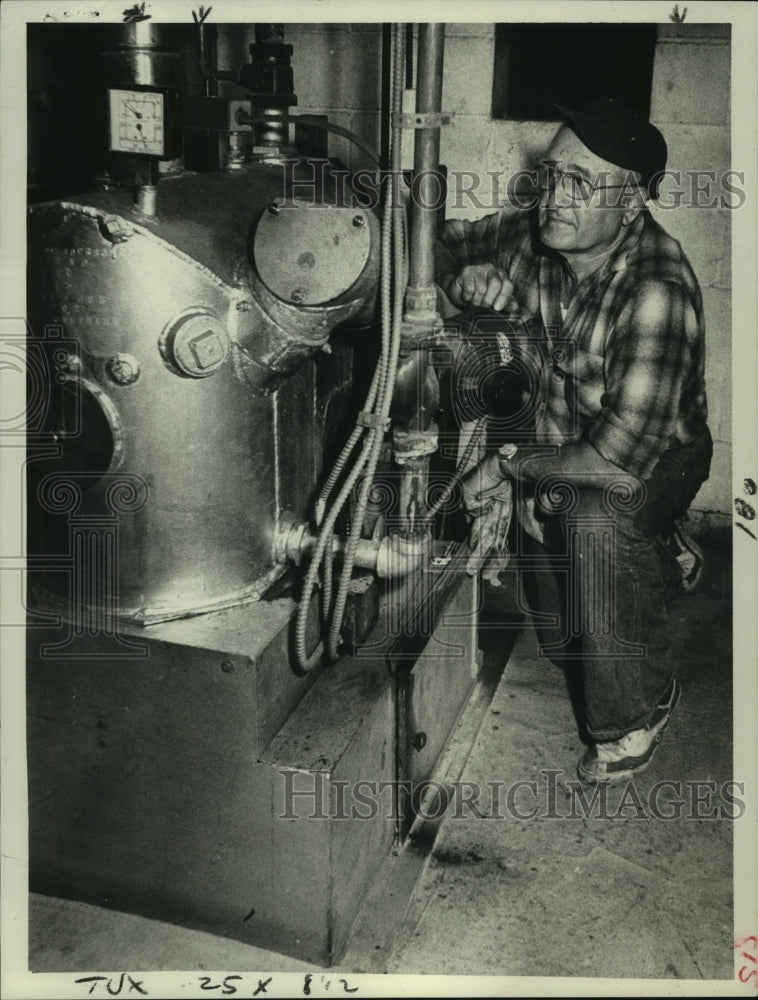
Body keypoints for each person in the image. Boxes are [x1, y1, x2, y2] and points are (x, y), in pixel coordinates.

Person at [436, 99, 713, 784]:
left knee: (596, 516)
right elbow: (433, 243)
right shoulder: (539, 233)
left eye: (582, 183)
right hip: (559, 440)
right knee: (566, 647)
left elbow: (614, 460)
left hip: (651, 458)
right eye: (552, 175)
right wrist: (460, 280)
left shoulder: (656, 288)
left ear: (632, 202)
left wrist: (510, 469)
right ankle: (656, 551)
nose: (555, 197)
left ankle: (638, 713)